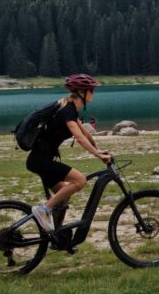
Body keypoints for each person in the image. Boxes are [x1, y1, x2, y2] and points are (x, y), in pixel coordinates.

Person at [27, 74, 111, 232]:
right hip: (40, 161)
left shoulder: (71, 109)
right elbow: (79, 138)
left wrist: (98, 149)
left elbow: (85, 133)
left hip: (41, 160)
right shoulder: (67, 111)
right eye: (91, 90)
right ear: (81, 92)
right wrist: (97, 155)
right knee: (79, 180)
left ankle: (56, 236)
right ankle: (43, 210)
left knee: (64, 195)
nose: (93, 93)